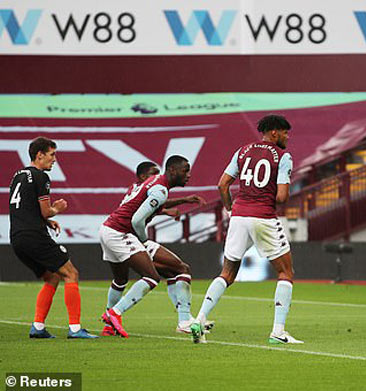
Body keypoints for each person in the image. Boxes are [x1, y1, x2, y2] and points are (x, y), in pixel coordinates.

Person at [190, 114, 302, 344]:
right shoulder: (283, 157)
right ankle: (278, 332)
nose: (287, 137)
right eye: (284, 132)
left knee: (227, 273)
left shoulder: (242, 151)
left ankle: (199, 319)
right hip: (263, 217)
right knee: (286, 272)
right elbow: (281, 196)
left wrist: (231, 209)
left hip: (239, 216)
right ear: (274, 132)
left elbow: (222, 184)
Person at [101, 161, 210, 336]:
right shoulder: (159, 189)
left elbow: (151, 205)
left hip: (109, 229)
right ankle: (114, 313)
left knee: (122, 279)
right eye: (185, 171)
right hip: (122, 234)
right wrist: (143, 241)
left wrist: (180, 202)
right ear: (172, 170)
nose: (189, 175)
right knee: (152, 276)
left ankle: (184, 320)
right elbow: (137, 220)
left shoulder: (149, 185)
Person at [9, 137, 97, 339]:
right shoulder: (41, 177)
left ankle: (38, 327)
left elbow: (24, 208)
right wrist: (57, 209)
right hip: (34, 236)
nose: (55, 159)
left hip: (18, 238)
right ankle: (75, 329)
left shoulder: (18, 175)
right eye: (52, 154)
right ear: (39, 155)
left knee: (52, 276)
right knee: (71, 274)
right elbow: (46, 210)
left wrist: (47, 223)